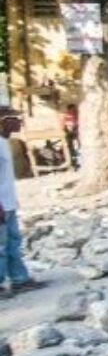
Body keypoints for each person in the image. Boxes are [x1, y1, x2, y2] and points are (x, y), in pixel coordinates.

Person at [0, 108, 46, 299]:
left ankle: (19, 278)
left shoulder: (4, 143)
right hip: (1, 205)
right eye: (14, 119)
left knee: (13, 242)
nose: (19, 122)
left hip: (8, 203)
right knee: (1, 246)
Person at [61, 103, 80, 170]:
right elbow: (63, 125)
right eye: (73, 109)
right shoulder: (67, 116)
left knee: (76, 148)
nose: (74, 110)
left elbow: (76, 124)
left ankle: (77, 163)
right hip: (69, 135)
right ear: (70, 109)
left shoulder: (75, 115)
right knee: (71, 149)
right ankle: (74, 164)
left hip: (74, 134)